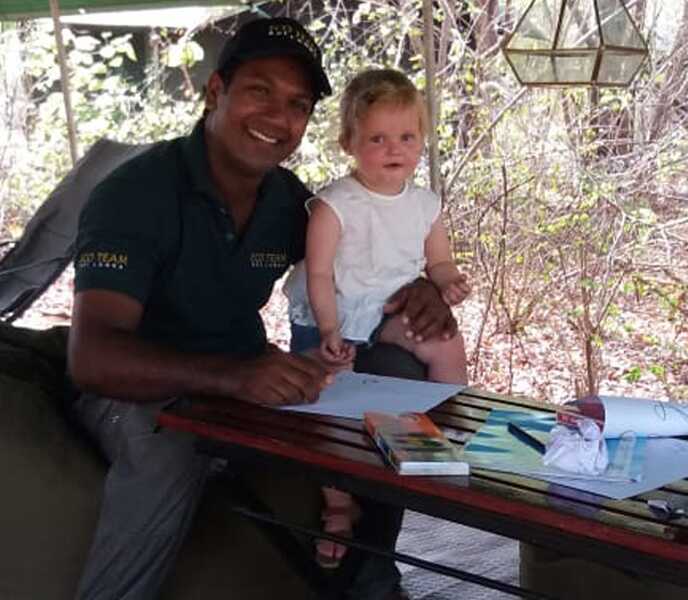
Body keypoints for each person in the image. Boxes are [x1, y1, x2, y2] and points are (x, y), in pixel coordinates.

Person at [66, 16, 455, 600]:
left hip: (244, 376)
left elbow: (363, 259)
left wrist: (422, 285)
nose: (278, 117)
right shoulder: (135, 194)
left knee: (391, 379)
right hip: (134, 393)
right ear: (215, 91)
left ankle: (369, 578)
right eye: (259, 91)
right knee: (173, 446)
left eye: (298, 105)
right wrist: (235, 375)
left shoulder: (287, 202)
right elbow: (93, 359)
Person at [281, 68, 470, 569]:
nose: (394, 149)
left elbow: (439, 261)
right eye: (377, 138)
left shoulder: (425, 204)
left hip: (386, 307)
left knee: (444, 341)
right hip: (333, 311)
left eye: (407, 137)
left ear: (423, 140)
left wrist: (449, 281)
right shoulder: (335, 204)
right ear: (350, 142)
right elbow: (319, 273)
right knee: (326, 397)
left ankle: (449, 426)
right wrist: (329, 331)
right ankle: (338, 504)